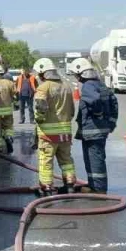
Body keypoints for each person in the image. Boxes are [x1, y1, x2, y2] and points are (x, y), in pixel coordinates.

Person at [71, 57, 118, 194]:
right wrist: (111, 123)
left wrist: (97, 112)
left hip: (92, 130)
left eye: (76, 75)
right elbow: (114, 103)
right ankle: (93, 185)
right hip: (101, 129)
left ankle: (98, 189)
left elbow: (94, 100)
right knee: (95, 158)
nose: (76, 78)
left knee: (94, 159)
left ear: (81, 73)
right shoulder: (101, 85)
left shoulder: (88, 86)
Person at [32, 57, 76, 195]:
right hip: (65, 133)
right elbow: (72, 110)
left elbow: (40, 107)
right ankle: (70, 186)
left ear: (42, 72)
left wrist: (39, 120)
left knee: (46, 161)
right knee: (66, 160)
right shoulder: (66, 86)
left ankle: (46, 188)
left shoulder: (44, 87)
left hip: (48, 134)